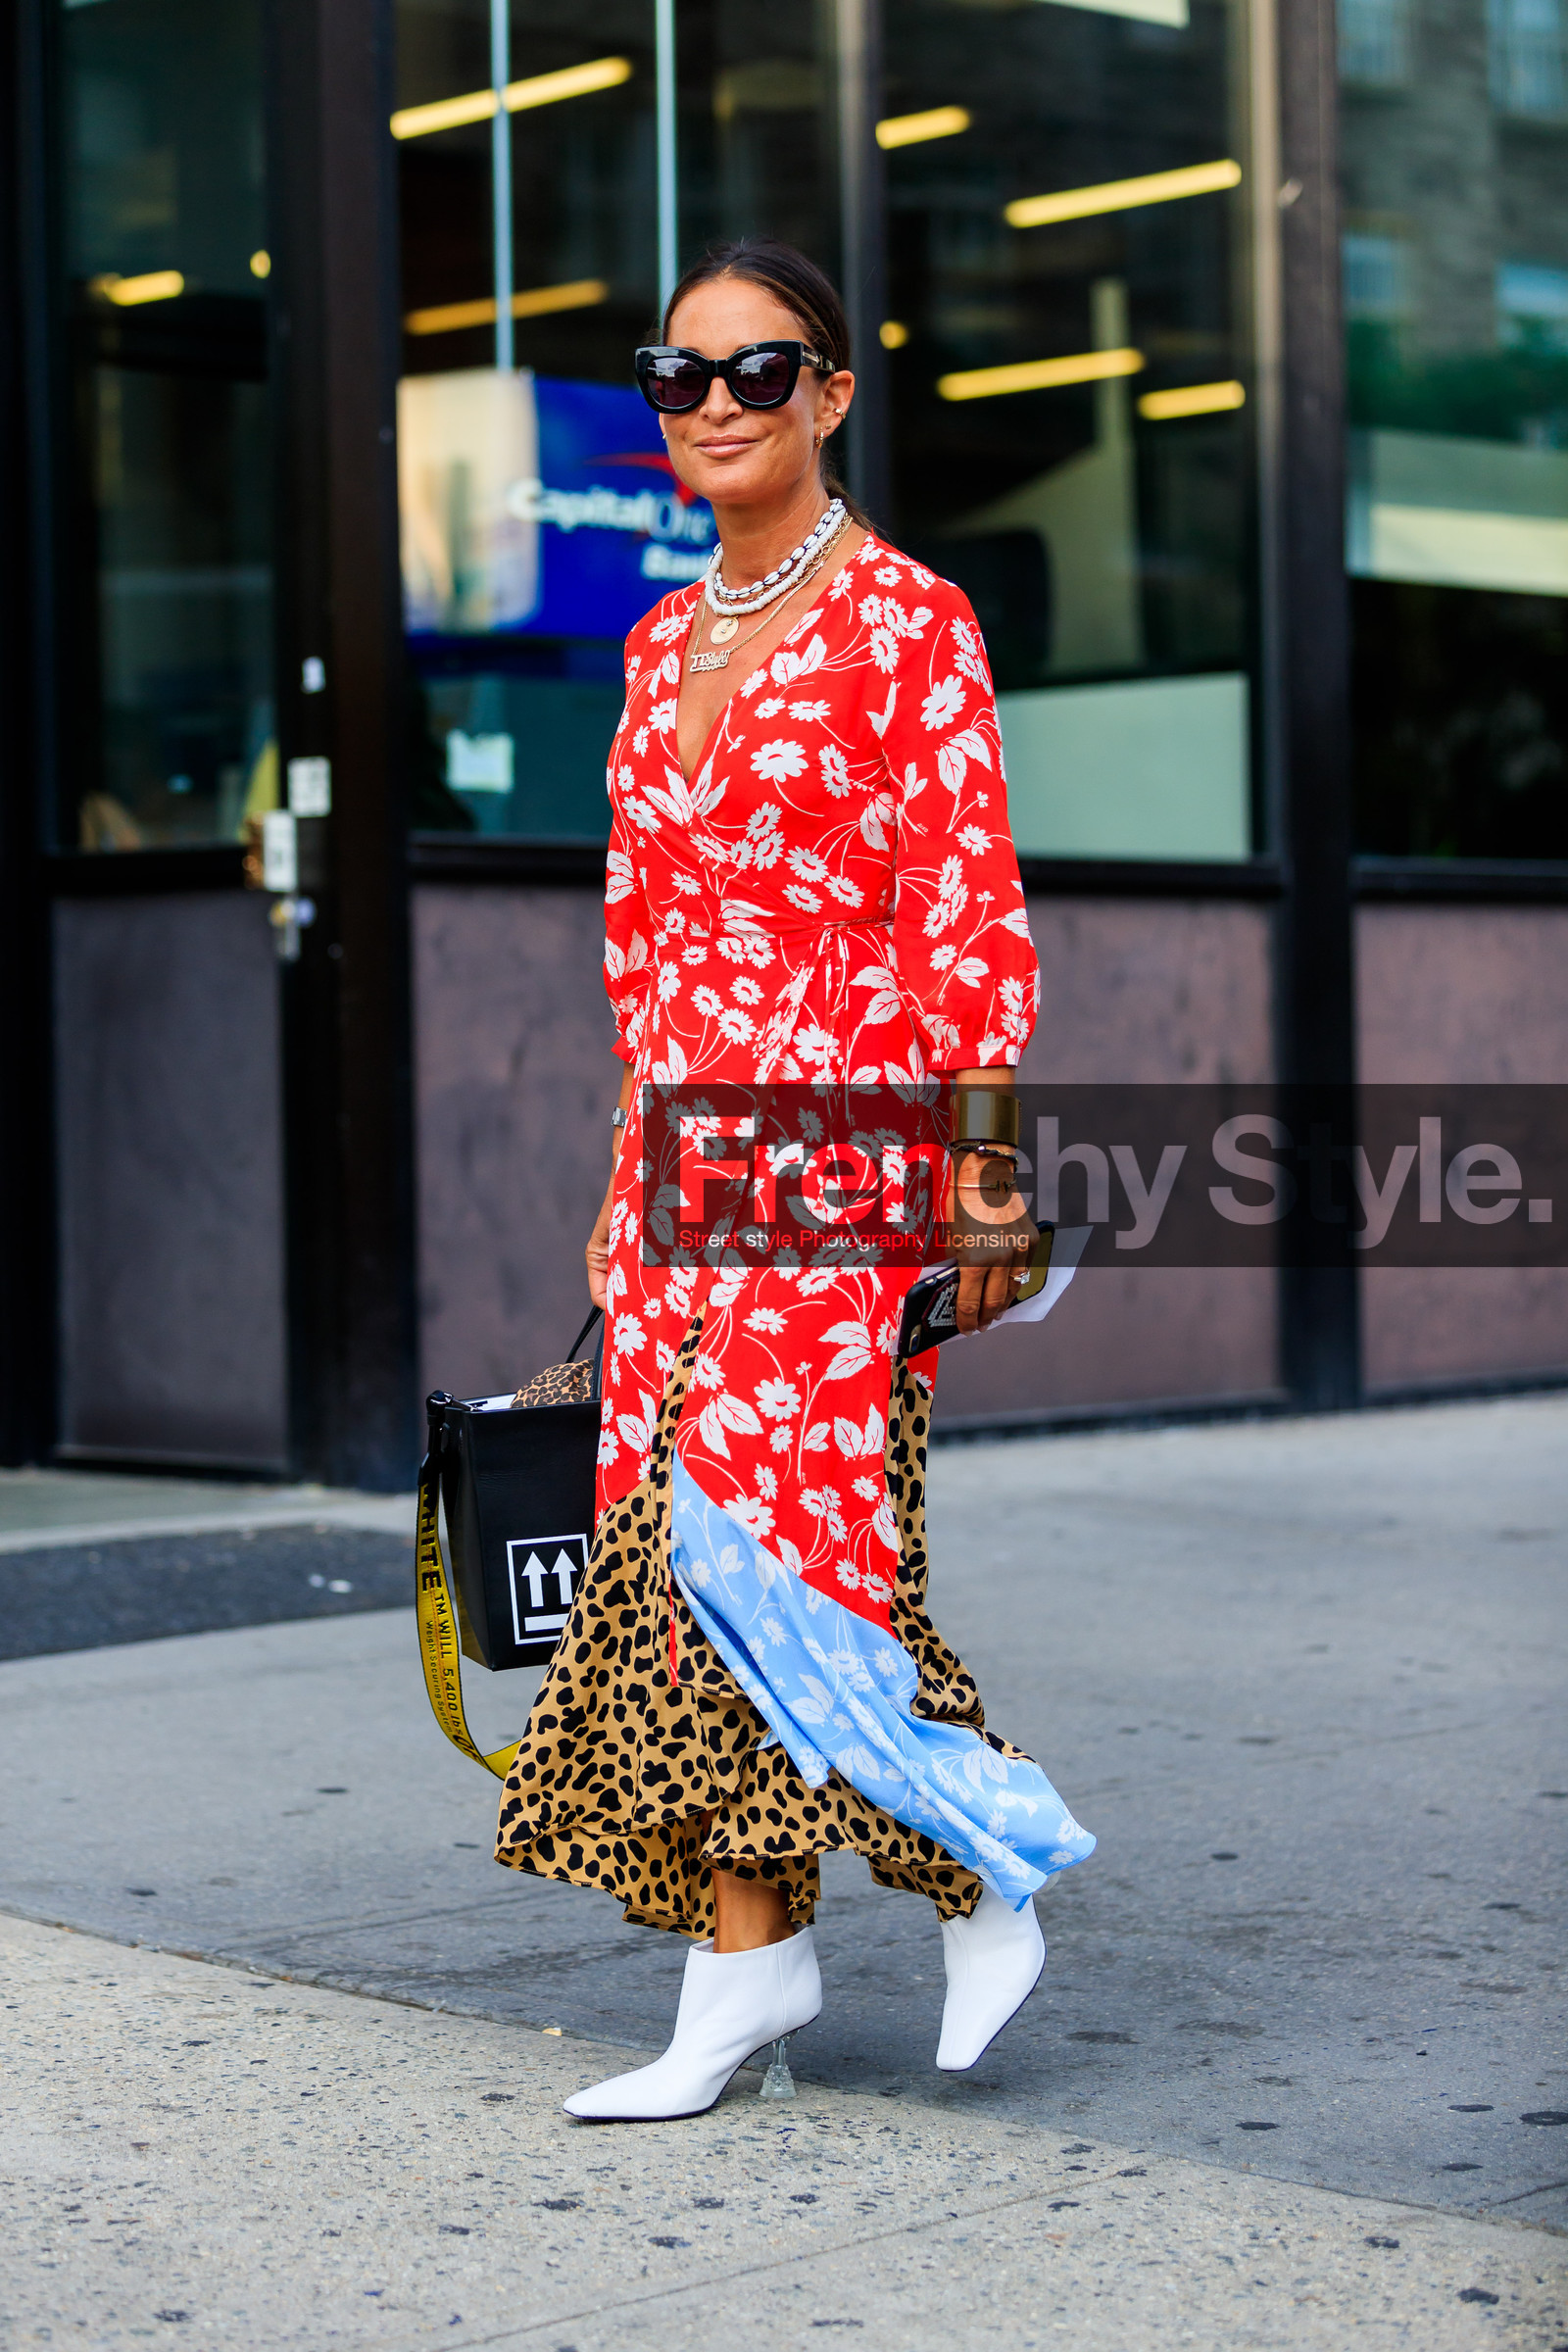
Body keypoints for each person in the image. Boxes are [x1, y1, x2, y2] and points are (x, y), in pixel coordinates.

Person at [495, 237, 1095, 2121]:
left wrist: (985, 1173)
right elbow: (646, 942)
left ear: (831, 394)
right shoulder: (656, 642)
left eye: (761, 370)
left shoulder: (912, 619)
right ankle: (746, 1968)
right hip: (684, 1165)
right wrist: (623, 1193)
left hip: (843, 1148)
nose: (717, 404)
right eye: (680, 374)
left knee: (795, 1557)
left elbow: (963, 907)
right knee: (680, 1571)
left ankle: (983, 1868)